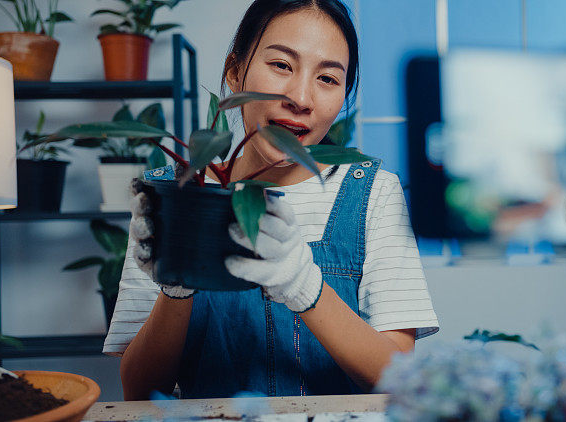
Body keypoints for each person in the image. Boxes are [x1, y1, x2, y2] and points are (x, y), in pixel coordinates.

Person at [102, 0, 439, 400]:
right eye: (281, 65)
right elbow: (138, 390)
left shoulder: (375, 193)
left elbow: (399, 379)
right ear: (235, 71)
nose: (301, 97)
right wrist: (176, 285)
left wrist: (305, 287)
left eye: (328, 78)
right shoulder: (172, 197)